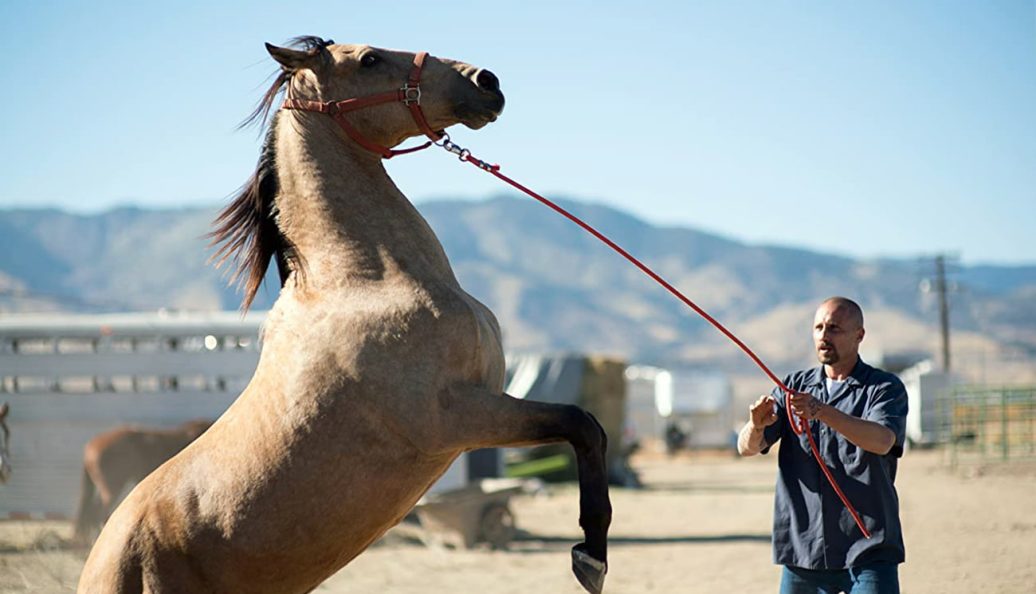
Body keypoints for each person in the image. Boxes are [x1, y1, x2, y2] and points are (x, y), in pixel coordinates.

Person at [737, 297, 908, 594]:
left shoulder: (884, 388)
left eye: (835, 328)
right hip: (805, 552)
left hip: (868, 549)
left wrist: (821, 411)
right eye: (818, 327)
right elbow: (746, 447)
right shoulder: (792, 388)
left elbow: (882, 440)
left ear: (859, 335)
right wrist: (755, 425)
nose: (824, 336)